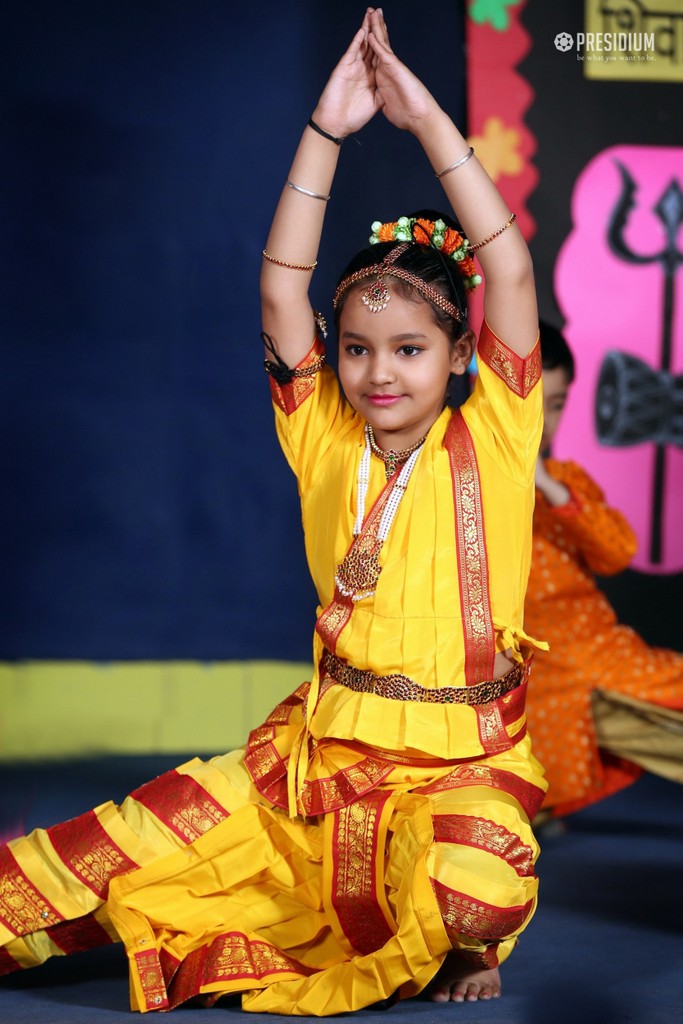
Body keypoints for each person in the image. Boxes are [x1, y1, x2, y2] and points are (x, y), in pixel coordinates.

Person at [0, 10, 547, 1012]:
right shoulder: (322, 433)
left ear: (460, 354)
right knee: (118, 846)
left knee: (472, 887)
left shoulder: (499, 438)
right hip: (316, 768)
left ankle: (465, 943)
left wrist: (421, 117)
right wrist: (326, 130)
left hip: (458, 769)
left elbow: (506, 267)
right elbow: (279, 285)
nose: (377, 372)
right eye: (355, 348)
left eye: (409, 349)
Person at [525, 322, 683, 821]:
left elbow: (616, 552)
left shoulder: (565, 483)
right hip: (538, 681)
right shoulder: (451, 481)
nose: (544, 421)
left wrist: (550, 488)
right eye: (530, 403)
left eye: (556, 405)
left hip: (601, 661)